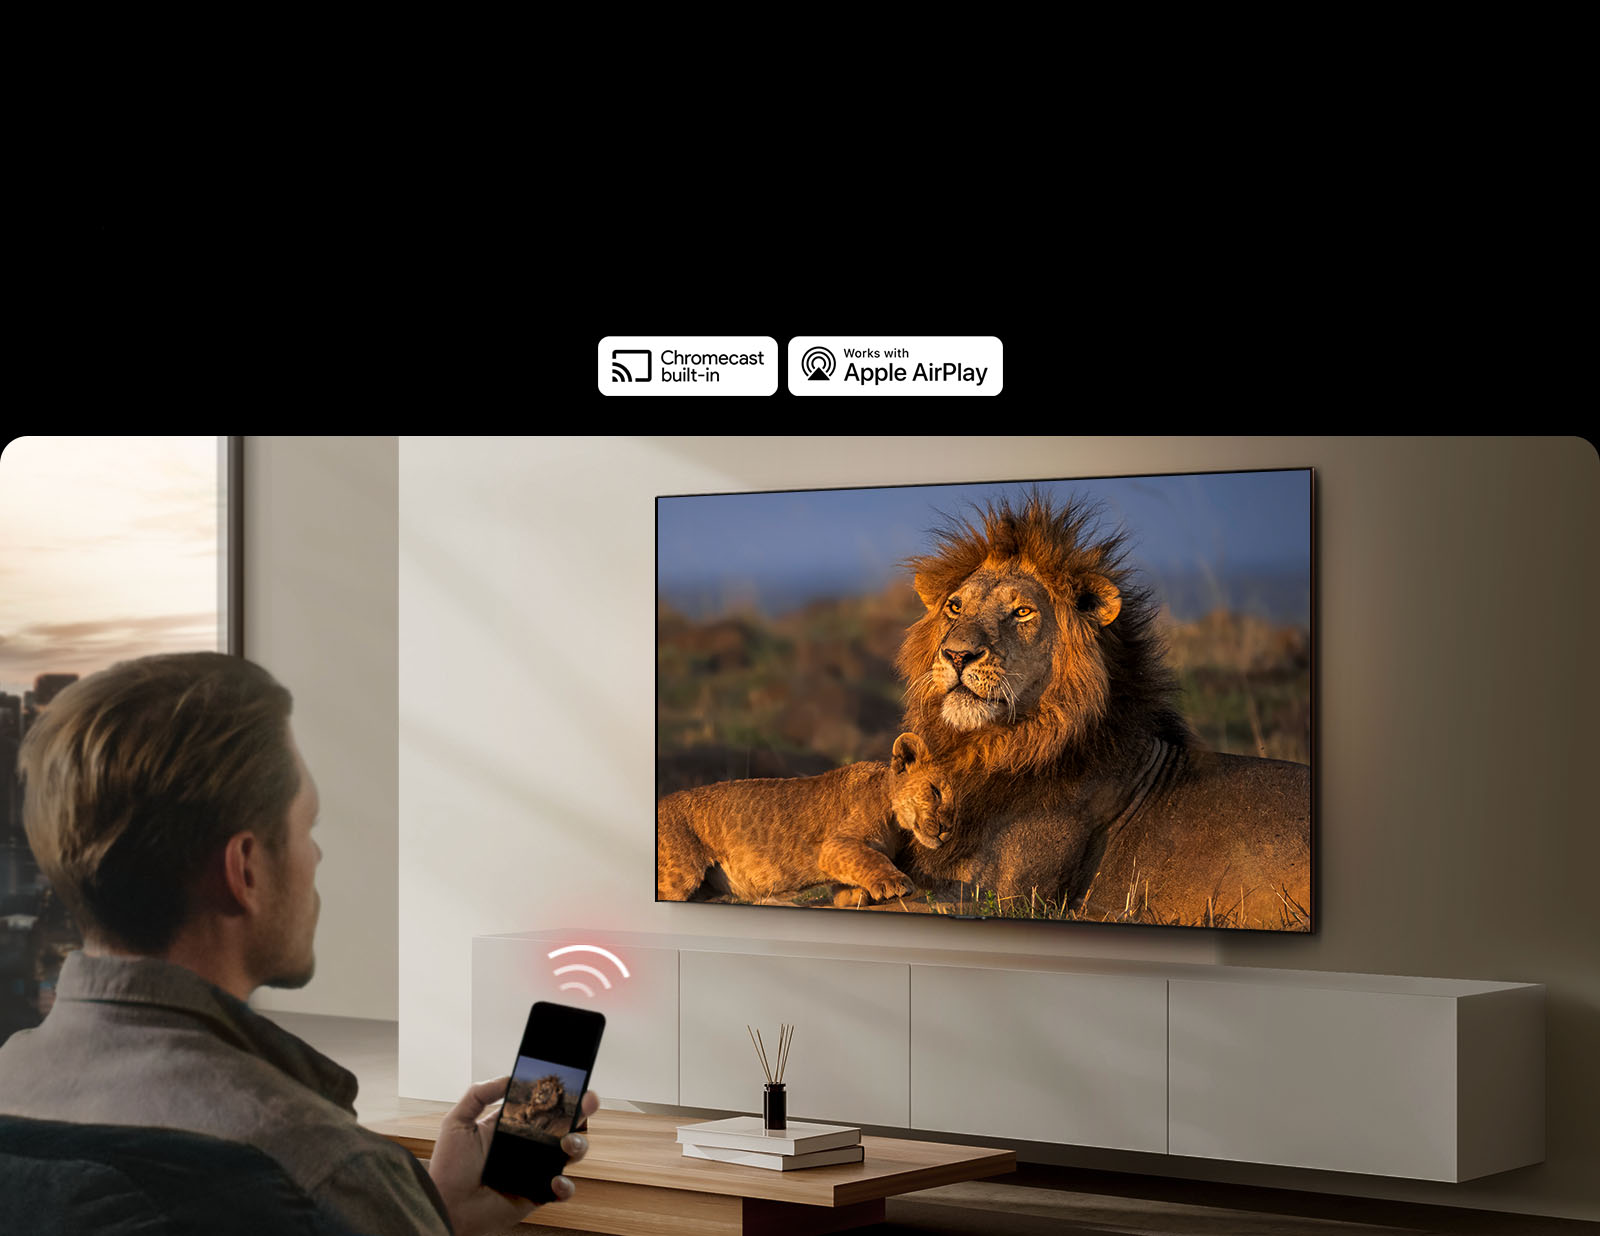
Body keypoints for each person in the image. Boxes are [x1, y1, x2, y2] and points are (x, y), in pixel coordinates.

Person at [0, 652, 595, 1236]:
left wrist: (437, 1215)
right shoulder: (322, 1170)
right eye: (307, 825)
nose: (316, 854)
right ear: (245, 869)